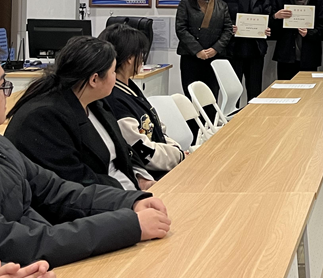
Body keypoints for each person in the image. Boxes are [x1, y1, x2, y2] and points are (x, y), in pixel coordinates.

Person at [0, 64, 171, 268]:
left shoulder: (3, 147)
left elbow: (56, 191)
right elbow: (23, 242)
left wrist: (129, 202)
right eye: (2, 85)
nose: (6, 95)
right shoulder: (44, 116)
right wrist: (129, 225)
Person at [6, 37, 155, 191]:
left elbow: (123, 149)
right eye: (113, 72)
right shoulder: (44, 118)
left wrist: (140, 177)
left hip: (122, 191)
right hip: (98, 199)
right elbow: (75, 180)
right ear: (94, 79)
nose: (115, 77)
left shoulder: (94, 102)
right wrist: (131, 195)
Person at [99, 23, 185, 178]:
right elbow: (143, 152)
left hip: (168, 160)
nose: (143, 58)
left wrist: (176, 150)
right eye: (141, 53)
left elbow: (156, 128)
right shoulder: (115, 100)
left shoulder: (130, 87)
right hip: (152, 175)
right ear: (129, 58)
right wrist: (179, 155)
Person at [216, 0, 271, 100]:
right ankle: (233, 115)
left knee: (255, 91)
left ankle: (254, 116)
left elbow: (267, 14)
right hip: (232, 49)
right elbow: (217, 19)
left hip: (255, 49)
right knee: (232, 94)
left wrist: (267, 28)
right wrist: (229, 27)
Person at [175, 0, 233, 103]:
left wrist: (215, 49)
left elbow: (228, 29)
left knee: (211, 98)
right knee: (192, 98)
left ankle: (210, 119)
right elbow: (181, 29)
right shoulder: (185, 3)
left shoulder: (221, 5)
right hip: (191, 57)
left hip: (214, 57)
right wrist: (198, 50)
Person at [271, 0, 323, 81]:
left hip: (309, 57)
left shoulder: (317, 1)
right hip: (286, 57)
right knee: (286, 90)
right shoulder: (281, 0)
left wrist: (309, 33)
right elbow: (272, 30)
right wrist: (275, 17)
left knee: (309, 90)